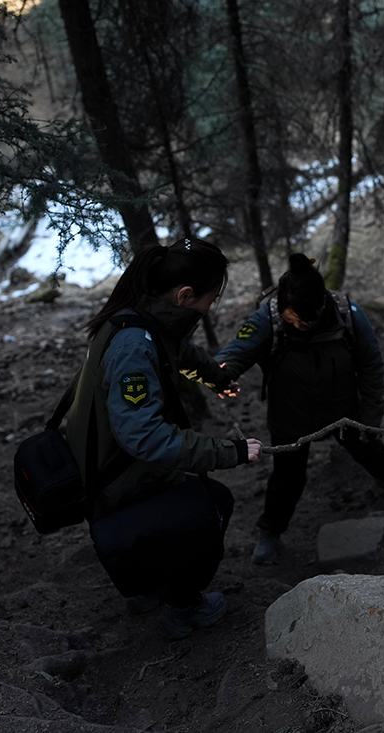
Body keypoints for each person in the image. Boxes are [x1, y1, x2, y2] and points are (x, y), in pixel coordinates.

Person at [65, 238, 263, 640]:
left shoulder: (143, 317)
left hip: (104, 461)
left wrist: (217, 376)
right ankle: (183, 605)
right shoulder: (133, 345)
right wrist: (228, 452)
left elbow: (179, 352)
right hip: (113, 476)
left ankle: (145, 587)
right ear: (185, 295)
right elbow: (147, 438)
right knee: (214, 502)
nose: (212, 305)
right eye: (212, 296)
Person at [217, 253, 384, 564]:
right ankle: (270, 531)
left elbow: (371, 367)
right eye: (290, 319)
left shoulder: (348, 314)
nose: (297, 324)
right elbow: (235, 354)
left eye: (303, 321)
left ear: (322, 307)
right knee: (287, 476)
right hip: (290, 415)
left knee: (368, 447)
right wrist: (217, 375)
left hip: (343, 409)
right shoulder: (266, 319)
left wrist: (370, 417)